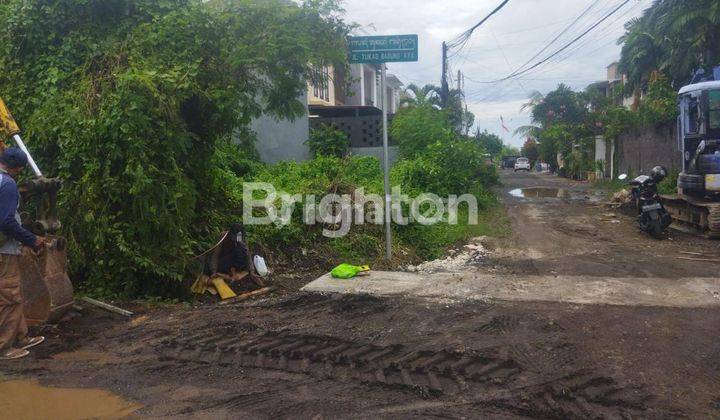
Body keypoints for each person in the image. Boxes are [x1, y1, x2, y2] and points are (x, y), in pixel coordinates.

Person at [0, 147, 46, 360]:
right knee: (9, 296)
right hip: (4, 250)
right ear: (18, 168)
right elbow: (7, 221)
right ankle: (4, 347)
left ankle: (21, 336)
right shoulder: (8, 184)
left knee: (13, 293)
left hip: (6, 248)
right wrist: (31, 239)